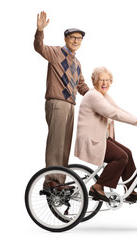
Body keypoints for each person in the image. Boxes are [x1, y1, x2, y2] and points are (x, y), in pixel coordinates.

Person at [74, 66, 137, 202]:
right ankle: (97, 187)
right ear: (94, 82)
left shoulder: (104, 96)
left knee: (128, 152)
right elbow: (113, 113)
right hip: (91, 140)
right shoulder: (93, 96)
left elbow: (119, 110)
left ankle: (130, 189)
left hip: (101, 138)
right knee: (121, 157)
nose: (105, 83)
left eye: (108, 80)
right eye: (101, 80)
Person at [34, 11, 89, 188]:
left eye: (79, 39)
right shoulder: (56, 53)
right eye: (73, 37)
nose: (76, 41)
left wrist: (98, 97)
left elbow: (82, 86)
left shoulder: (77, 63)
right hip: (57, 103)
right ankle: (51, 181)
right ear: (66, 39)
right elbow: (39, 47)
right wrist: (39, 31)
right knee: (56, 143)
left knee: (65, 145)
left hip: (70, 105)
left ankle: (60, 182)